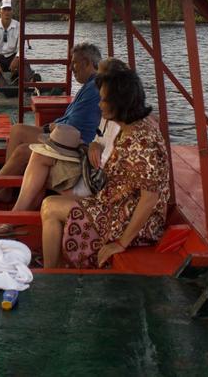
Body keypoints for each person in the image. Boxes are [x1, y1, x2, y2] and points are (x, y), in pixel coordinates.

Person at [0, 59, 127, 242]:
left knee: (27, 154)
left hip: (93, 180)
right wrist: (95, 145)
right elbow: (99, 137)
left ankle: (8, 216)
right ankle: (12, 218)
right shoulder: (108, 114)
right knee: (38, 154)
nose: (99, 102)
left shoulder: (128, 126)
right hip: (85, 162)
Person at [41, 64, 170, 269]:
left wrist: (120, 243)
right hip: (117, 203)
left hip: (129, 219)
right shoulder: (130, 127)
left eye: (103, 100)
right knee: (51, 202)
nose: (99, 105)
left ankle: (52, 274)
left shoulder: (143, 141)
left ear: (120, 102)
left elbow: (150, 198)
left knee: (50, 206)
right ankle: (56, 266)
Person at [0, 43, 103, 209]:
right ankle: (4, 190)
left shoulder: (92, 89)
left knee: (22, 151)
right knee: (18, 130)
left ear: (88, 63)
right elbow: (72, 120)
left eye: (74, 63)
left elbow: (74, 125)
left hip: (74, 145)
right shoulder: (90, 85)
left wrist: (49, 127)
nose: (70, 68)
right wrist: (50, 127)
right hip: (66, 136)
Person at [0, 0, 33, 86]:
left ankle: (29, 80)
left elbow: (22, 46)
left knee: (24, 65)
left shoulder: (19, 26)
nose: (7, 12)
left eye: (9, 9)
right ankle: (2, 83)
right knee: (2, 85)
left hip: (12, 57)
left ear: (12, 11)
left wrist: (18, 58)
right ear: (0, 11)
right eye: (4, 9)